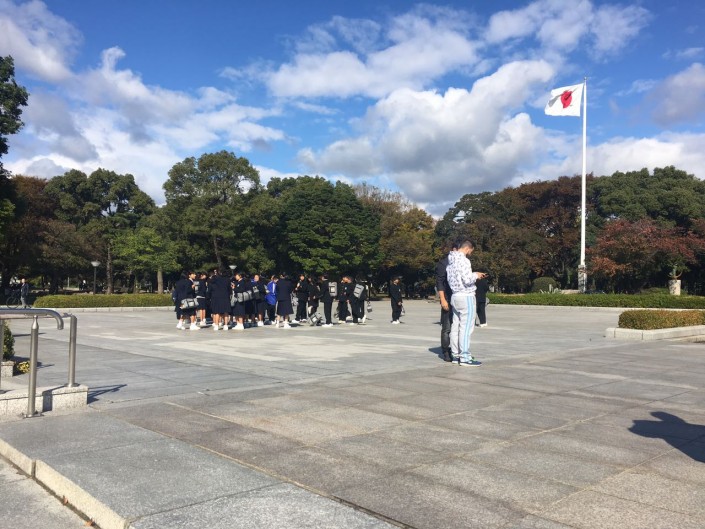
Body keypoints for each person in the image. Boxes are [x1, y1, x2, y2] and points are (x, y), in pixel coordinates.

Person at [446, 240, 487, 366]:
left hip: (455, 295)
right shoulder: (464, 260)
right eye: (471, 251)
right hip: (466, 296)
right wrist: (476, 275)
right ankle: (464, 357)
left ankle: (455, 354)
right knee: (466, 328)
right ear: (468, 248)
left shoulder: (451, 261)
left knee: (455, 327)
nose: (470, 253)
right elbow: (467, 279)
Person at [435, 242, 458, 362]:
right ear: (454, 249)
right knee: (447, 327)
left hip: (459, 299)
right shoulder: (444, 263)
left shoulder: (462, 262)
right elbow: (439, 282)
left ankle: (457, 350)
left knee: (459, 327)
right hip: (448, 299)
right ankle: (445, 350)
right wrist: (443, 299)